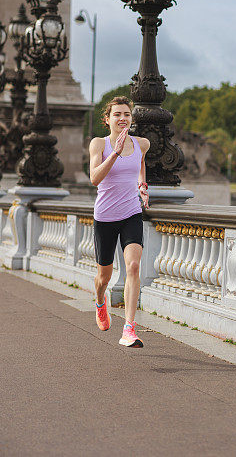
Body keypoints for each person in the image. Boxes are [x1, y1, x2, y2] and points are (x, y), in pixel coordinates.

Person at [89, 96, 150, 347]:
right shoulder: (98, 144)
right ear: (108, 119)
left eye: (126, 114)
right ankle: (100, 300)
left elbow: (140, 164)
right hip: (105, 217)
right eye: (117, 114)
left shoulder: (142, 144)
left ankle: (129, 328)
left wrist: (142, 184)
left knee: (133, 266)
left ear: (131, 118)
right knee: (105, 276)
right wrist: (114, 153)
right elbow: (94, 178)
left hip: (131, 213)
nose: (122, 118)